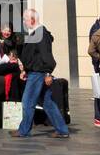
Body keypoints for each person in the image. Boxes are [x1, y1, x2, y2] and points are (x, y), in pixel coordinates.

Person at [10, 8, 70, 139]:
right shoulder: (36, 34)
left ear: (32, 20)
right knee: (47, 102)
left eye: (25, 19)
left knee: (27, 102)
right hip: (35, 72)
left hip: (38, 73)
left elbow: (46, 56)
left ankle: (24, 130)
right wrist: (25, 69)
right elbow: (33, 56)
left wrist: (48, 73)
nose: (24, 22)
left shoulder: (40, 34)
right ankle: (62, 130)